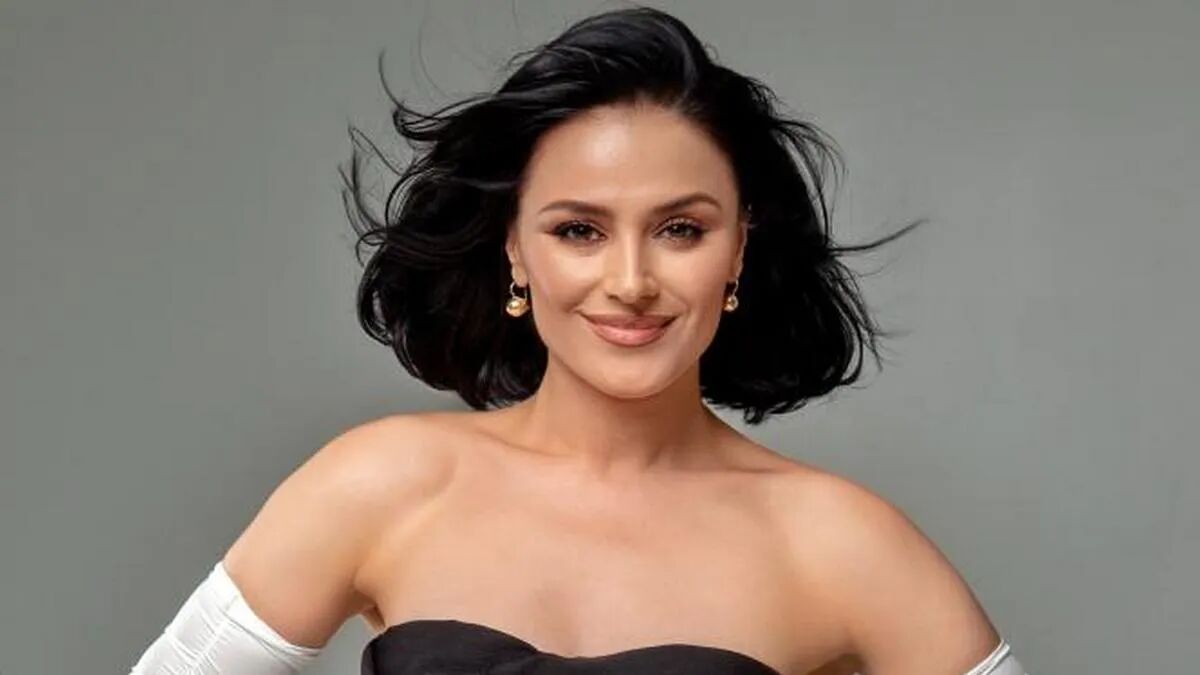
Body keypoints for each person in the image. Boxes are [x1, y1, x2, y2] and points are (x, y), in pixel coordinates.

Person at [129, 6, 1028, 674]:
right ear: (515, 248)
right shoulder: (383, 484)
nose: (631, 280)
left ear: (739, 248)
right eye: (579, 230)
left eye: (681, 229)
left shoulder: (839, 542)